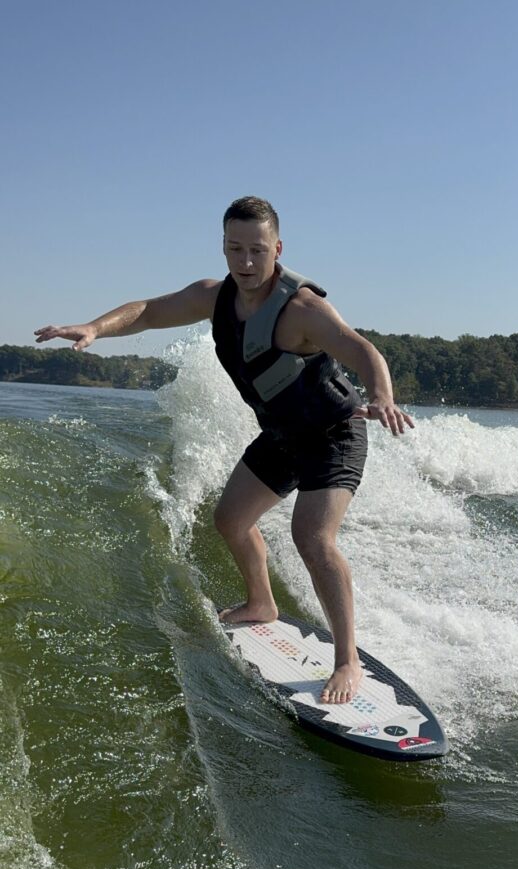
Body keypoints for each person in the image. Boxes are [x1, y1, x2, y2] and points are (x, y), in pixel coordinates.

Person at [35, 196, 414, 704]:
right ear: (224, 247)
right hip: (282, 435)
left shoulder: (303, 309)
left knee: (313, 537)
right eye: (234, 249)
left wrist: (383, 397)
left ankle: (347, 660)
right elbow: (148, 312)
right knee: (230, 520)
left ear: (277, 248)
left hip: (334, 433)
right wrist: (95, 328)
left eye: (257, 250)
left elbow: (363, 350)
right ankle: (262, 604)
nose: (246, 262)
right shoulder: (214, 297)